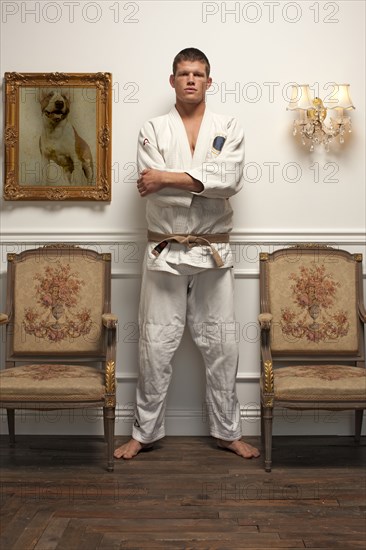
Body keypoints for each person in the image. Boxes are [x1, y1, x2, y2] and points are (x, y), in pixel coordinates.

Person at [114, 47, 260, 460]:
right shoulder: (153, 128)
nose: (191, 79)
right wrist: (194, 182)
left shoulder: (228, 125)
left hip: (214, 251)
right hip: (165, 249)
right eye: (183, 73)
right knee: (155, 345)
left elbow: (229, 181)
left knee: (222, 346)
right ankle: (144, 433)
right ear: (172, 80)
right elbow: (149, 182)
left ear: (209, 81)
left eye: (198, 73)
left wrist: (168, 178)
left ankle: (228, 431)